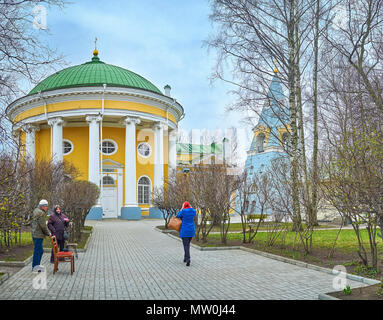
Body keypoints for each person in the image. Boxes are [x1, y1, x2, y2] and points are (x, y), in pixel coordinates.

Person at [31, 199, 51, 272]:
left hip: (34, 233)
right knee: (38, 251)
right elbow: (43, 226)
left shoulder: (36, 210)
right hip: (38, 235)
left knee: (39, 250)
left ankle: (35, 266)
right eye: (46, 206)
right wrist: (48, 233)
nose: (47, 208)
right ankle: (36, 268)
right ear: (43, 206)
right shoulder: (41, 213)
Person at [176, 201, 197, 266]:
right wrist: (190, 207)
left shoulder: (183, 211)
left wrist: (182, 208)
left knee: (186, 245)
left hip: (184, 230)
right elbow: (194, 212)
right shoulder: (193, 211)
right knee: (187, 245)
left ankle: (188, 259)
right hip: (191, 230)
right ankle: (185, 258)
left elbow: (178, 216)